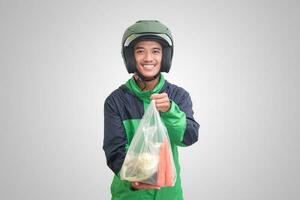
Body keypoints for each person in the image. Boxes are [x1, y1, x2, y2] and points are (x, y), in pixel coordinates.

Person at [103, 20, 200, 200]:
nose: (148, 58)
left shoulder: (178, 96)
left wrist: (171, 111)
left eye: (156, 51)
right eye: (140, 51)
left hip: (169, 195)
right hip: (130, 196)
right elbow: (114, 151)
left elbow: (189, 137)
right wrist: (140, 177)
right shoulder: (116, 101)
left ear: (165, 56)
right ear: (130, 57)